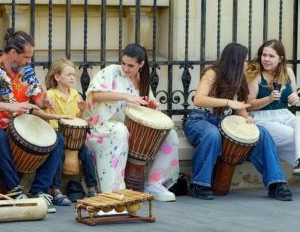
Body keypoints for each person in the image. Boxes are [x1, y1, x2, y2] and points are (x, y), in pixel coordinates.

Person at [0, 29, 66, 213]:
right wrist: (8, 107)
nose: (29, 61)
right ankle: (15, 192)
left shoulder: (27, 71)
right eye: (26, 56)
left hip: (22, 125)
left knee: (57, 139)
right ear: (13, 53)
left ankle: (40, 191)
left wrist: (45, 102)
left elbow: (38, 99)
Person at [183, 42, 292, 201]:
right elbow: (199, 100)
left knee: (262, 133)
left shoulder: (239, 77)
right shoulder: (212, 73)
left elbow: (239, 104)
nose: (247, 63)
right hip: (200, 120)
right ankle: (198, 184)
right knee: (212, 135)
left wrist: (246, 118)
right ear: (235, 60)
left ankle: (276, 184)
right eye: (245, 60)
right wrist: (227, 102)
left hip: (224, 122)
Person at [82, 43, 180, 201]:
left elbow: (147, 110)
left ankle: (155, 183)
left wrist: (151, 107)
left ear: (141, 64)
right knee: (120, 130)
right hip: (101, 127)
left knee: (171, 134)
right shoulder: (112, 72)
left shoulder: (143, 81)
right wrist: (125, 96)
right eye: (123, 63)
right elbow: (94, 95)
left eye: (131, 65)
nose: (125, 68)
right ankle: (114, 190)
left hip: (131, 131)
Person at [44, 58, 98, 202]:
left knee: (86, 153)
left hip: (73, 138)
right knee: (59, 154)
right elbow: (47, 117)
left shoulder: (75, 94)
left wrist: (81, 112)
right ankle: (56, 190)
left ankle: (92, 188)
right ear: (57, 77)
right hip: (57, 134)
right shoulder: (50, 95)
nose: (73, 77)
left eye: (74, 75)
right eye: (69, 75)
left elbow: (76, 119)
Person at [245, 39, 300, 175]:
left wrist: (295, 98)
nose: (266, 59)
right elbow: (249, 105)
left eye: (271, 56)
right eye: (264, 55)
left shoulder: (288, 72)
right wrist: (268, 98)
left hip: (285, 115)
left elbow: (292, 98)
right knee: (292, 136)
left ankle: (299, 160)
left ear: (280, 58)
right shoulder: (255, 75)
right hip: (263, 118)